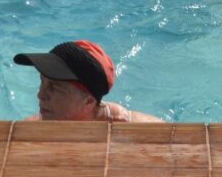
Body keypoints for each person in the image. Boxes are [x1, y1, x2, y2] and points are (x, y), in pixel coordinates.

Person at [13, 39, 160, 122]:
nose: (40, 94)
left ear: (88, 101)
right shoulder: (31, 127)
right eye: (42, 82)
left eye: (54, 87)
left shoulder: (132, 125)